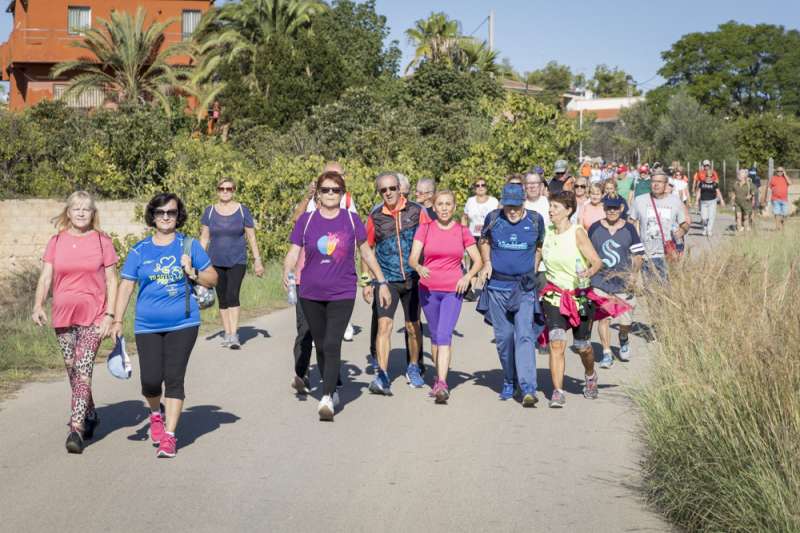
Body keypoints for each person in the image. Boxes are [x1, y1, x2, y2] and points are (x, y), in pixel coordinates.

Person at [113, 193, 218, 458]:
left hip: (183, 322)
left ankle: (170, 436)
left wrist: (193, 272)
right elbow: (126, 285)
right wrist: (116, 320)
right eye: (160, 212)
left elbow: (213, 277)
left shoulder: (189, 245)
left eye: (171, 212)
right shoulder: (140, 250)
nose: (166, 217)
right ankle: (154, 413)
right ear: (152, 215)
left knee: (174, 378)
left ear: (178, 215)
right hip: (146, 324)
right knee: (150, 381)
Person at [283, 172, 390, 421]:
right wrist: (286, 271)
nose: (330, 194)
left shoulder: (351, 220)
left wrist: (381, 281)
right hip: (309, 292)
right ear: (318, 193)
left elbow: (366, 253)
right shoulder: (306, 221)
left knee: (332, 343)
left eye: (336, 190)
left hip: (342, 292)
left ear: (343, 194)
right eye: (326, 190)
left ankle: (328, 396)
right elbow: (293, 251)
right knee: (320, 344)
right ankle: (329, 384)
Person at [31, 191, 118, 454]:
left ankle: (76, 428)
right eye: (76, 209)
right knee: (73, 370)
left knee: (83, 369)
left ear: (93, 213)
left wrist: (110, 316)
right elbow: (46, 277)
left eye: (86, 209)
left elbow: (112, 280)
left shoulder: (103, 241)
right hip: (63, 315)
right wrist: (37, 305)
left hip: (94, 316)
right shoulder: (56, 241)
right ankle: (91, 414)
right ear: (68, 212)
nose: (81, 213)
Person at [476, 183, 546, 407]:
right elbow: (484, 240)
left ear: (523, 203)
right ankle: (509, 379)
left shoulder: (535, 220)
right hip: (497, 287)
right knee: (504, 339)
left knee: (524, 336)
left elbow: (539, 246)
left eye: (516, 206)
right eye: (508, 206)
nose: (512, 211)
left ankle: (528, 389)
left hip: (524, 288)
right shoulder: (494, 218)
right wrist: (486, 263)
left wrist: (534, 268)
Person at [408, 190, 482, 403]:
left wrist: (467, 277)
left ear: (454, 206)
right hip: (428, 289)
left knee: (444, 334)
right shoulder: (425, 228)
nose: (444, 208)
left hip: (453, 289)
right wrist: (419, 267)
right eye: (440, 204)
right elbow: (413, 258)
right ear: (434, 206)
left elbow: (477, 260)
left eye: (448, 204)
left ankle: (442, 383)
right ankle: (438, 377)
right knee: (435, 333)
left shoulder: (462, 231)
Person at [364, 172, 431, 395]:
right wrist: (367, 281)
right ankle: (382, 375)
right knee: (384, 326)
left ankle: (413, 367)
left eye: (392, 188)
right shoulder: (375, 217)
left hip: (413, 278)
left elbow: (431, 241)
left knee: (413, 327)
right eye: (383, 190)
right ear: (379, 192)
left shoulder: (417, 211)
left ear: (399, 188)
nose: (389, 193)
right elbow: (366, 250)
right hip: (387, 280)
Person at [540, 191, 605, 408]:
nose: (551, 210)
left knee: (582, 346)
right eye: (550, 206)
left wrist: (588, 272)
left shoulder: (577, 233)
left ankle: (590, 374)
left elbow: (596, 261)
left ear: (568, 210)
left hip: (580, 296)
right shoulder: (547, 232)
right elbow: (537, 255)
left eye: (556, 207)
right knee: (556, 342)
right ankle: (557, 391)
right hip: (555, 295)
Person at [292, 162, 358, 342]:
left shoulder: (347, 201)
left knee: (332, 340)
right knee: (310, 328)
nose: (331, 192)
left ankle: (342, 325)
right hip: (310, 266)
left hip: (339, 267)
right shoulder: (313, 198)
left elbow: (356, 232)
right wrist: (308, 197)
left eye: (339, 175)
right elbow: (296, 222)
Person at [200, 178, 263, 349]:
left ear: (234, 190)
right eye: (221, 188)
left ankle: (234, 335)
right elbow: (204, 238)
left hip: (237, 260)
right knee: (222, 297)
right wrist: (197, 261)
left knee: (232, 294)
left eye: (229, 188)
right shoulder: (210, 211)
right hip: (215, 262)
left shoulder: (243, 211)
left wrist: (257, 260)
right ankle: (227, 333)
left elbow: (251, 236)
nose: (225, 191)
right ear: (217, 190)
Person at [588, 197, 644, 368]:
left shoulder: (629, 229)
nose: (611, 211)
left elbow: (638, 254)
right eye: (608, 208)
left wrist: (634, 274)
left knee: (625, 322)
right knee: (603, 318)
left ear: (621, 209)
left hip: (623, 281)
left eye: (615, 208)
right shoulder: (595, 227)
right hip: (600, 280)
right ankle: (606, 353)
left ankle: (623, 338)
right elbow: (587, 251)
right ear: (604, 208)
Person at [629, 169, 690, 281]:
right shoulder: (639, 200)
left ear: (666, 185)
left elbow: (684, 224)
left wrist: (682, 231)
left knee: (665, 289)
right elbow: (630, 223)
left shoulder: (675, 201)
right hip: (646, 254)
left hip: (667, 253)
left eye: (660, 182)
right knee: (649, 290)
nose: (656, 184)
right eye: (653, 181)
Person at [696, 170, 726, 237]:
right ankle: (704, 228)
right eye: (707, 176)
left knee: (711, 217)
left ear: (712, 177)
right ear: (705, 176)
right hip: (703, 202)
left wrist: (721, 200)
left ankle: (709, 230)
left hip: (712, 202)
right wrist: (696, 200)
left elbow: (718, 192)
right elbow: (699, 192)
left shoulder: (715, 184)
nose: (708, 177)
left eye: (710, 176)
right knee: (703, 217)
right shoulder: (702, 183)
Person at [767, 166, 792, 230]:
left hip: (784, 199)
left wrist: (785, 175)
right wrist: (768, 197)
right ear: (776, 172)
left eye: (781, 171)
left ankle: (782, 222)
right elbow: (769, 187)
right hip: (775, 199)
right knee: (776, 213)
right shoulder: (773, 178)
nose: (779, 172)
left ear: (783, 171)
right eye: (778, 171)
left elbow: (790, 183)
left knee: (785, 214)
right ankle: (777, 227)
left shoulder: (785, 178)